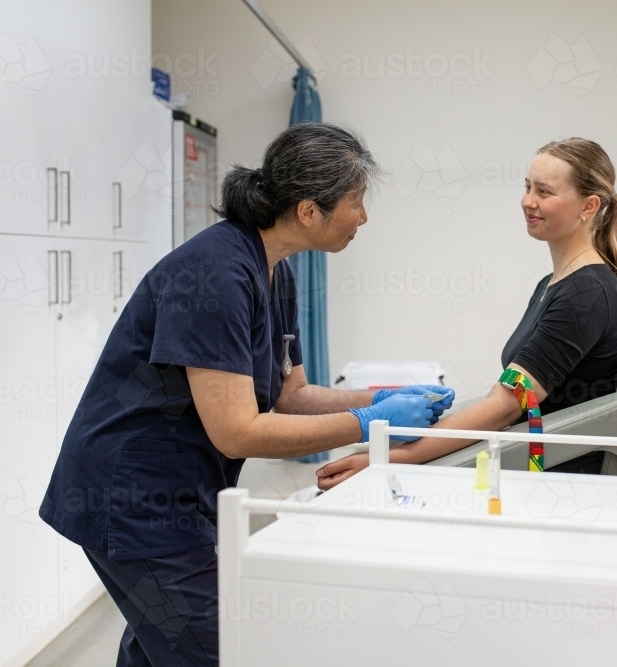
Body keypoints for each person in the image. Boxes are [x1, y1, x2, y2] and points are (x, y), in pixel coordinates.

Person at [38, 122, 454, 667]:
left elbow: (290, 395)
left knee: (160, 648)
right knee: (221, 651)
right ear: (309, 211)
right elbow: (236, 431)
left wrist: (387, 397)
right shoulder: (215, 274)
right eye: (357, 202)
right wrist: (367, 419)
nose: (364, 217)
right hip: (132, 498)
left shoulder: (275, 271)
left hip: (175, 495)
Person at [317, 137, 617, 488]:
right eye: (528, 187)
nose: (528, 201)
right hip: (532, 464)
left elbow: (504, 407)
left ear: (588, 207)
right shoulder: (556, 283)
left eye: (544, 192)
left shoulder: (585, 294)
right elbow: (504, 400)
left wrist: (384, 458)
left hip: (560, 483)